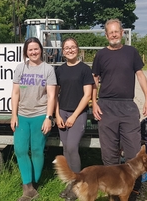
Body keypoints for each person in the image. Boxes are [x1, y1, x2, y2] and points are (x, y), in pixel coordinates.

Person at [91, 19, 147, 201]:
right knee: (109, 154)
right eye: (111, 32)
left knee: (134, 151)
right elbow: (94, 80)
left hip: (127, 106)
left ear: (122, 32)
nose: (114, 35)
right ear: (106, 35)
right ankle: (114, 193)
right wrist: (93, 102)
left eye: (117, 31)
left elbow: (140, 75)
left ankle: (133, 190)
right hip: (106, 106)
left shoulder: (131, 52)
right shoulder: (101, 55)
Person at [10, 37, 57, 201]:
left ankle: (32, 187)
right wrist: (13, 115)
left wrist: (48, 118)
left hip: (40, 116)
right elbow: (15, 93)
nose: (33, 52)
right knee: (20, 150)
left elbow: (52, 96)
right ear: (26, 52)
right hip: (22, 115)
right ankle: (27, 187)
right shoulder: (20, 68)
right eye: (30, 49)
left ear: (41, 50)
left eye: (36, 49)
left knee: (37, 151)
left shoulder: (48, 70)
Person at [55, 37, 94, 201]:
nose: (70, 50)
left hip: (77, 114)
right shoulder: (59, 70)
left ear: (77, 49)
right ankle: (70, 184)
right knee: (65, 148)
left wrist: (74, 116)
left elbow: (87, 96)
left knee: (72, 147)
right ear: (63, 51)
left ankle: (77, 185)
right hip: (62, 113)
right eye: (66, 48)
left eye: (72, 47)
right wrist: (57, 114)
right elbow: (54, 94)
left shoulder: (85, 69)